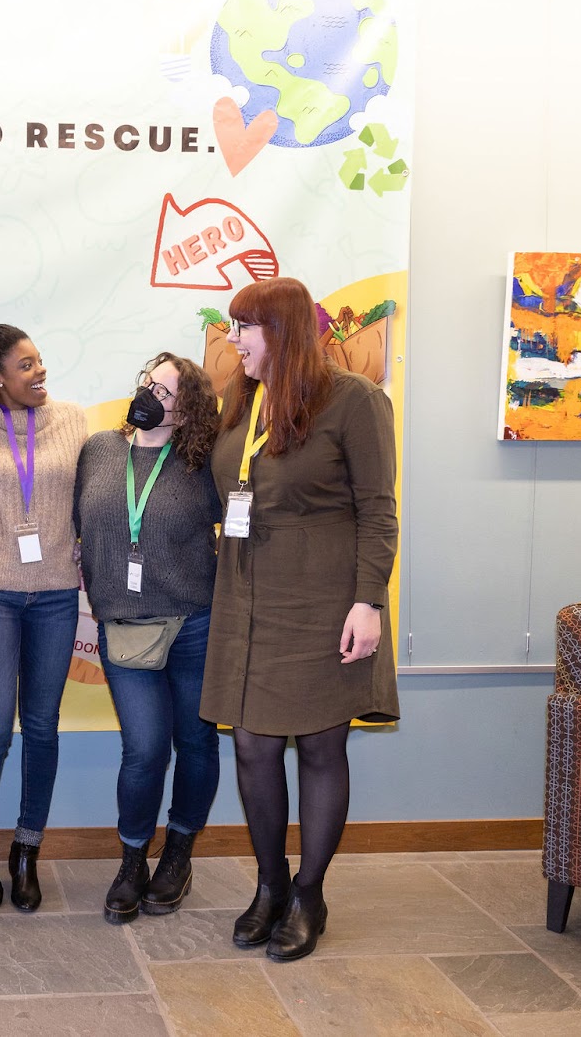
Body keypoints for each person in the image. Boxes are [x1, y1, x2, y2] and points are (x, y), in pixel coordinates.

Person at [204, 277, 399, 962]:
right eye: (229, 327)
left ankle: (310, 893)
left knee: (320, 748)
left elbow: (378, 509)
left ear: (280, 330)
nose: (232, 340)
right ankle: (270, 886)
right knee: (253, 746)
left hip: (324, 603)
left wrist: (367, 602)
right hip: (246, 603)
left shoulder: (355, 400)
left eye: (243, 328)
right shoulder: (243, 402)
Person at [74, 352, 222, 924]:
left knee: (197, 745)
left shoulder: (200, 461)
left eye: (164, 391)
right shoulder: (99, 452)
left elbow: (238, 529)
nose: (148, 396)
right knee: (143, 750)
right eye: (146, 384)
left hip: (194, 623)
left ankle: (178, 854)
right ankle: (132, 859)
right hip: (126, 627)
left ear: (187, 412)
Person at [0, 317, 87, 912]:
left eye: (39, 359)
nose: (40, 371)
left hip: (56, 595)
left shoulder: (75, 422)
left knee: (44, 727)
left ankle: (27, 847)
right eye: (25, 366)